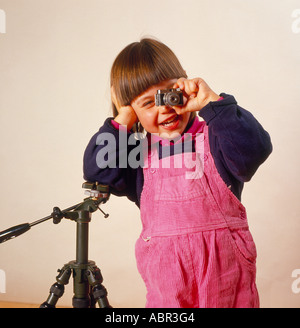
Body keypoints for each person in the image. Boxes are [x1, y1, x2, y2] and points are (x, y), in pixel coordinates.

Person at [83, 38, 272, 308]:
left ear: (185, 84)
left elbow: (254, 148)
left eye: (169, 94)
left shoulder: (217, 139)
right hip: (167, 279)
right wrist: (122, 117)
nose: (164, 108)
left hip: (225, 274)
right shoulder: (136, 156)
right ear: (133, 111)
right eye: (147, 103)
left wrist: (212, 103)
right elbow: (97, 171)